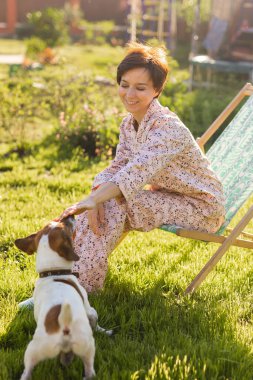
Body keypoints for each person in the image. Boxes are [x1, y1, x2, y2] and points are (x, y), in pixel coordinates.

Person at [57, 42, 226, 294]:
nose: (129, 94)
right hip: (171, 197)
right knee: (105, 201)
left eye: (140, 88)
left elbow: (133, 175)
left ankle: (77, 288)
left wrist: (95, 199)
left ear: (157, 90)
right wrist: (95, 193)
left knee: (115, 202)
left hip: (202, 208)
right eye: (124, 85)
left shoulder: (168, 129)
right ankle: (64, 280)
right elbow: (119, 166)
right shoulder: (129, 124)